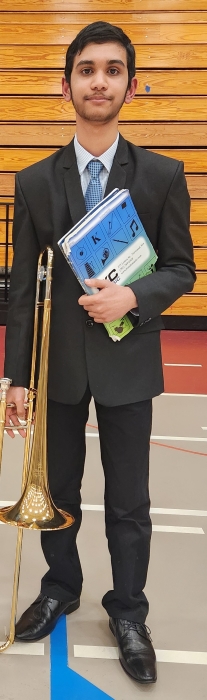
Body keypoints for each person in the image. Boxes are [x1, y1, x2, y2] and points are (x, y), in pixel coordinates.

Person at [4, 21, 195, 685]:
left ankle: (129, 610)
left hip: (127, 360)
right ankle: (61, 586)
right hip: (55, 365)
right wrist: (16, 378)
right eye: (87, 69)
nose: (99, 81)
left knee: (129, 501)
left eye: (112, 70)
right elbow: (22, 291)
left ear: (130, 87)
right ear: (66, 86)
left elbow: (180, 269)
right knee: (57, 491)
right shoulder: (31, 182)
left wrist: (131, 298)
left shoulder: (162, 175)